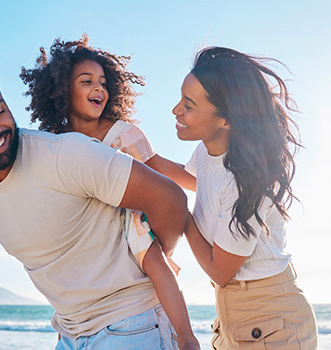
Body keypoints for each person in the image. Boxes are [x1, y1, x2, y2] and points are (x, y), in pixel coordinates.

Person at [0, 53, 189, 350]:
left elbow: (170, 198)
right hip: (70, 334)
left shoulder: (67, 155)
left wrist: (152, 257)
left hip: (132, 326)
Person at [20, 36, 199, 350]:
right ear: (62, 90)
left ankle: (186, 337)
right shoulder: (56, 144)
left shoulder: (121, 133)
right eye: (86, 81)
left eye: (103, 82)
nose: (98, 88)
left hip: (125, 219)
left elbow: (159, 166)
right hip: (87, 232)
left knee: (155, 262)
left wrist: (204, 182)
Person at [173, 47, 318, 349]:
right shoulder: (207, 151)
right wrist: (135, 151)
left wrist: (178, 215)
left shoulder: (248, 181)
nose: (177, 110)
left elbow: (220, 270)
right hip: (233, 317)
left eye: (189, 105)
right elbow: (195, 182)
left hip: (272, 321)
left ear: (226, 119)